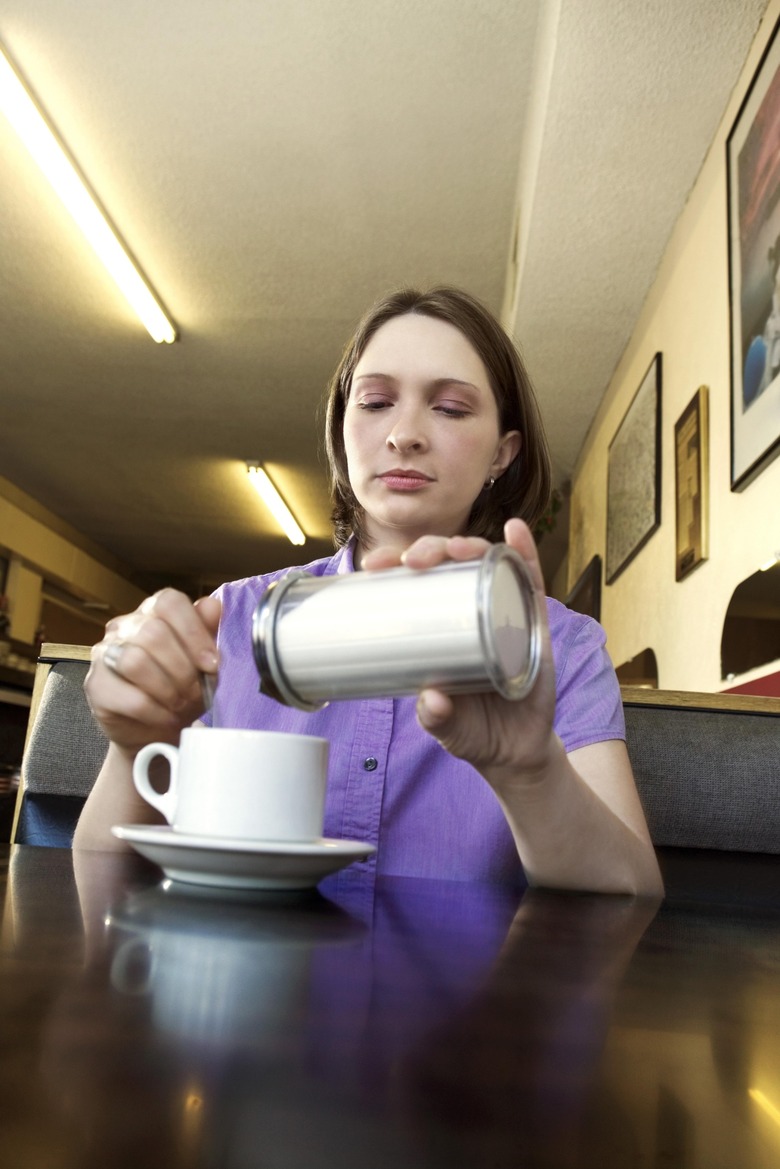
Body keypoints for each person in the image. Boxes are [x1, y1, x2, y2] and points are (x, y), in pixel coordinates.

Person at [74, 287, 663, 896]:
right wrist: (136, 744)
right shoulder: (226, 621)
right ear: (341, 432)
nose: (404, 434)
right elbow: (105, 879)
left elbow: (632, 892)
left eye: (452, 409)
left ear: (501, 455)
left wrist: (529, 770)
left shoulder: (559, 647)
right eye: (376, 401)